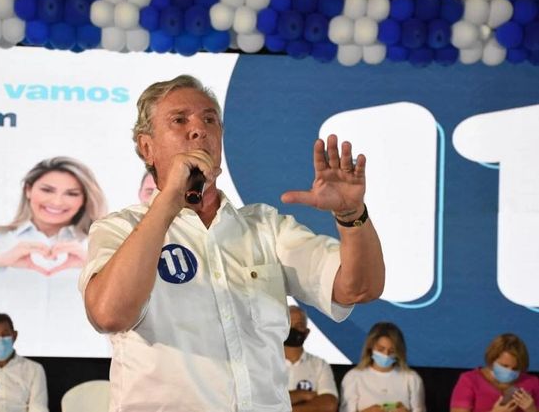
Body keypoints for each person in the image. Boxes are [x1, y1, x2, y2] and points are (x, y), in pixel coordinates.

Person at [79, 74, 385, 411]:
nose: (199, 130)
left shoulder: (266, 228)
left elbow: (359, 288)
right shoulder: (120, 229)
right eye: (179, 120)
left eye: (209, 120)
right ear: (147, 147)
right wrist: (169, 200)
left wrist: (351, 216)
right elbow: (109, 314)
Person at [0, 156, 108, 356]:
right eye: (47, 190)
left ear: (84, 199)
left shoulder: (101, 243)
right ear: (28, 189)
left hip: (83, 356)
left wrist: (94, 264)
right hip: (7, 359)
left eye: (71, 193)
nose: (56, 201)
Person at [339, 322, 425, 412]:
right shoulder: (353, 377)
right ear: (370, 346)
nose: (386, 354)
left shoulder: (411, 378)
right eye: (380, 349)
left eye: (392, 350)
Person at [450, 333, 539, 412]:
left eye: (515, 368)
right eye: (504, 366)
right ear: (492, 359)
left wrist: (531, 409)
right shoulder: (469, 380)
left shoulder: (532, 382)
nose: (510, 371)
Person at [285, 305, 338, 412]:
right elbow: (259, 402)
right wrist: (303, 394)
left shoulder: (319, 364)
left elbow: (329, 404)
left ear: (306, 333)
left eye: (299, 325)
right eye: (288, 324)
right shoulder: (265, 363)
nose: (293, 329)